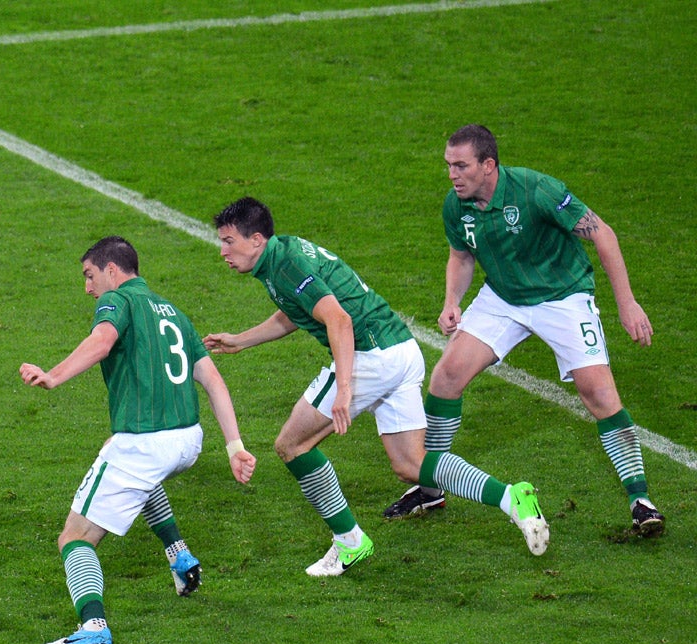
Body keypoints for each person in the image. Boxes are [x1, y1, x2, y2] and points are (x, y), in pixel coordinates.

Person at [204, 197, 548, 575]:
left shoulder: (285, 265)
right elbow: (296, 311)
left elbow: (338, 321)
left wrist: (346, 389)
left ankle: (349, 541)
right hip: (401, 350)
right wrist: (241, 340)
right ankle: (510, 497)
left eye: (228, 241)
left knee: (291, 444)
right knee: (410, 465)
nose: (223, 251)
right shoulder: (281, 253)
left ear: (255, 239)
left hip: (370, 357)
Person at [383, 124, 664, 537]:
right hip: (504, 299)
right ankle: (429, 488)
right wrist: (451, 302)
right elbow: (461, 257)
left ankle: (640, 500)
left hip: (562, 297)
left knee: (599, 393)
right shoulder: (455, 205)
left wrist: (627, 303)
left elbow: (602, 234)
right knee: (446, 377)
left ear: (489, 165)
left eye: (461, 166)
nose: (452, 175)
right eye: (448, 165)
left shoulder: (536, 190)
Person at [20, 236, 256, 644]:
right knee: (137, 468)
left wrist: (54, 375)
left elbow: (103, 342)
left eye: (89, 276)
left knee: (74, 538)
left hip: (145, 445)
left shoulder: (118, 302)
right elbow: (214, 381)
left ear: (112, 270)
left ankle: (93, 626)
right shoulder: (176, 314)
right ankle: (179, 554)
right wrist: (234, 445)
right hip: (189, 440)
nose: (88, 288)